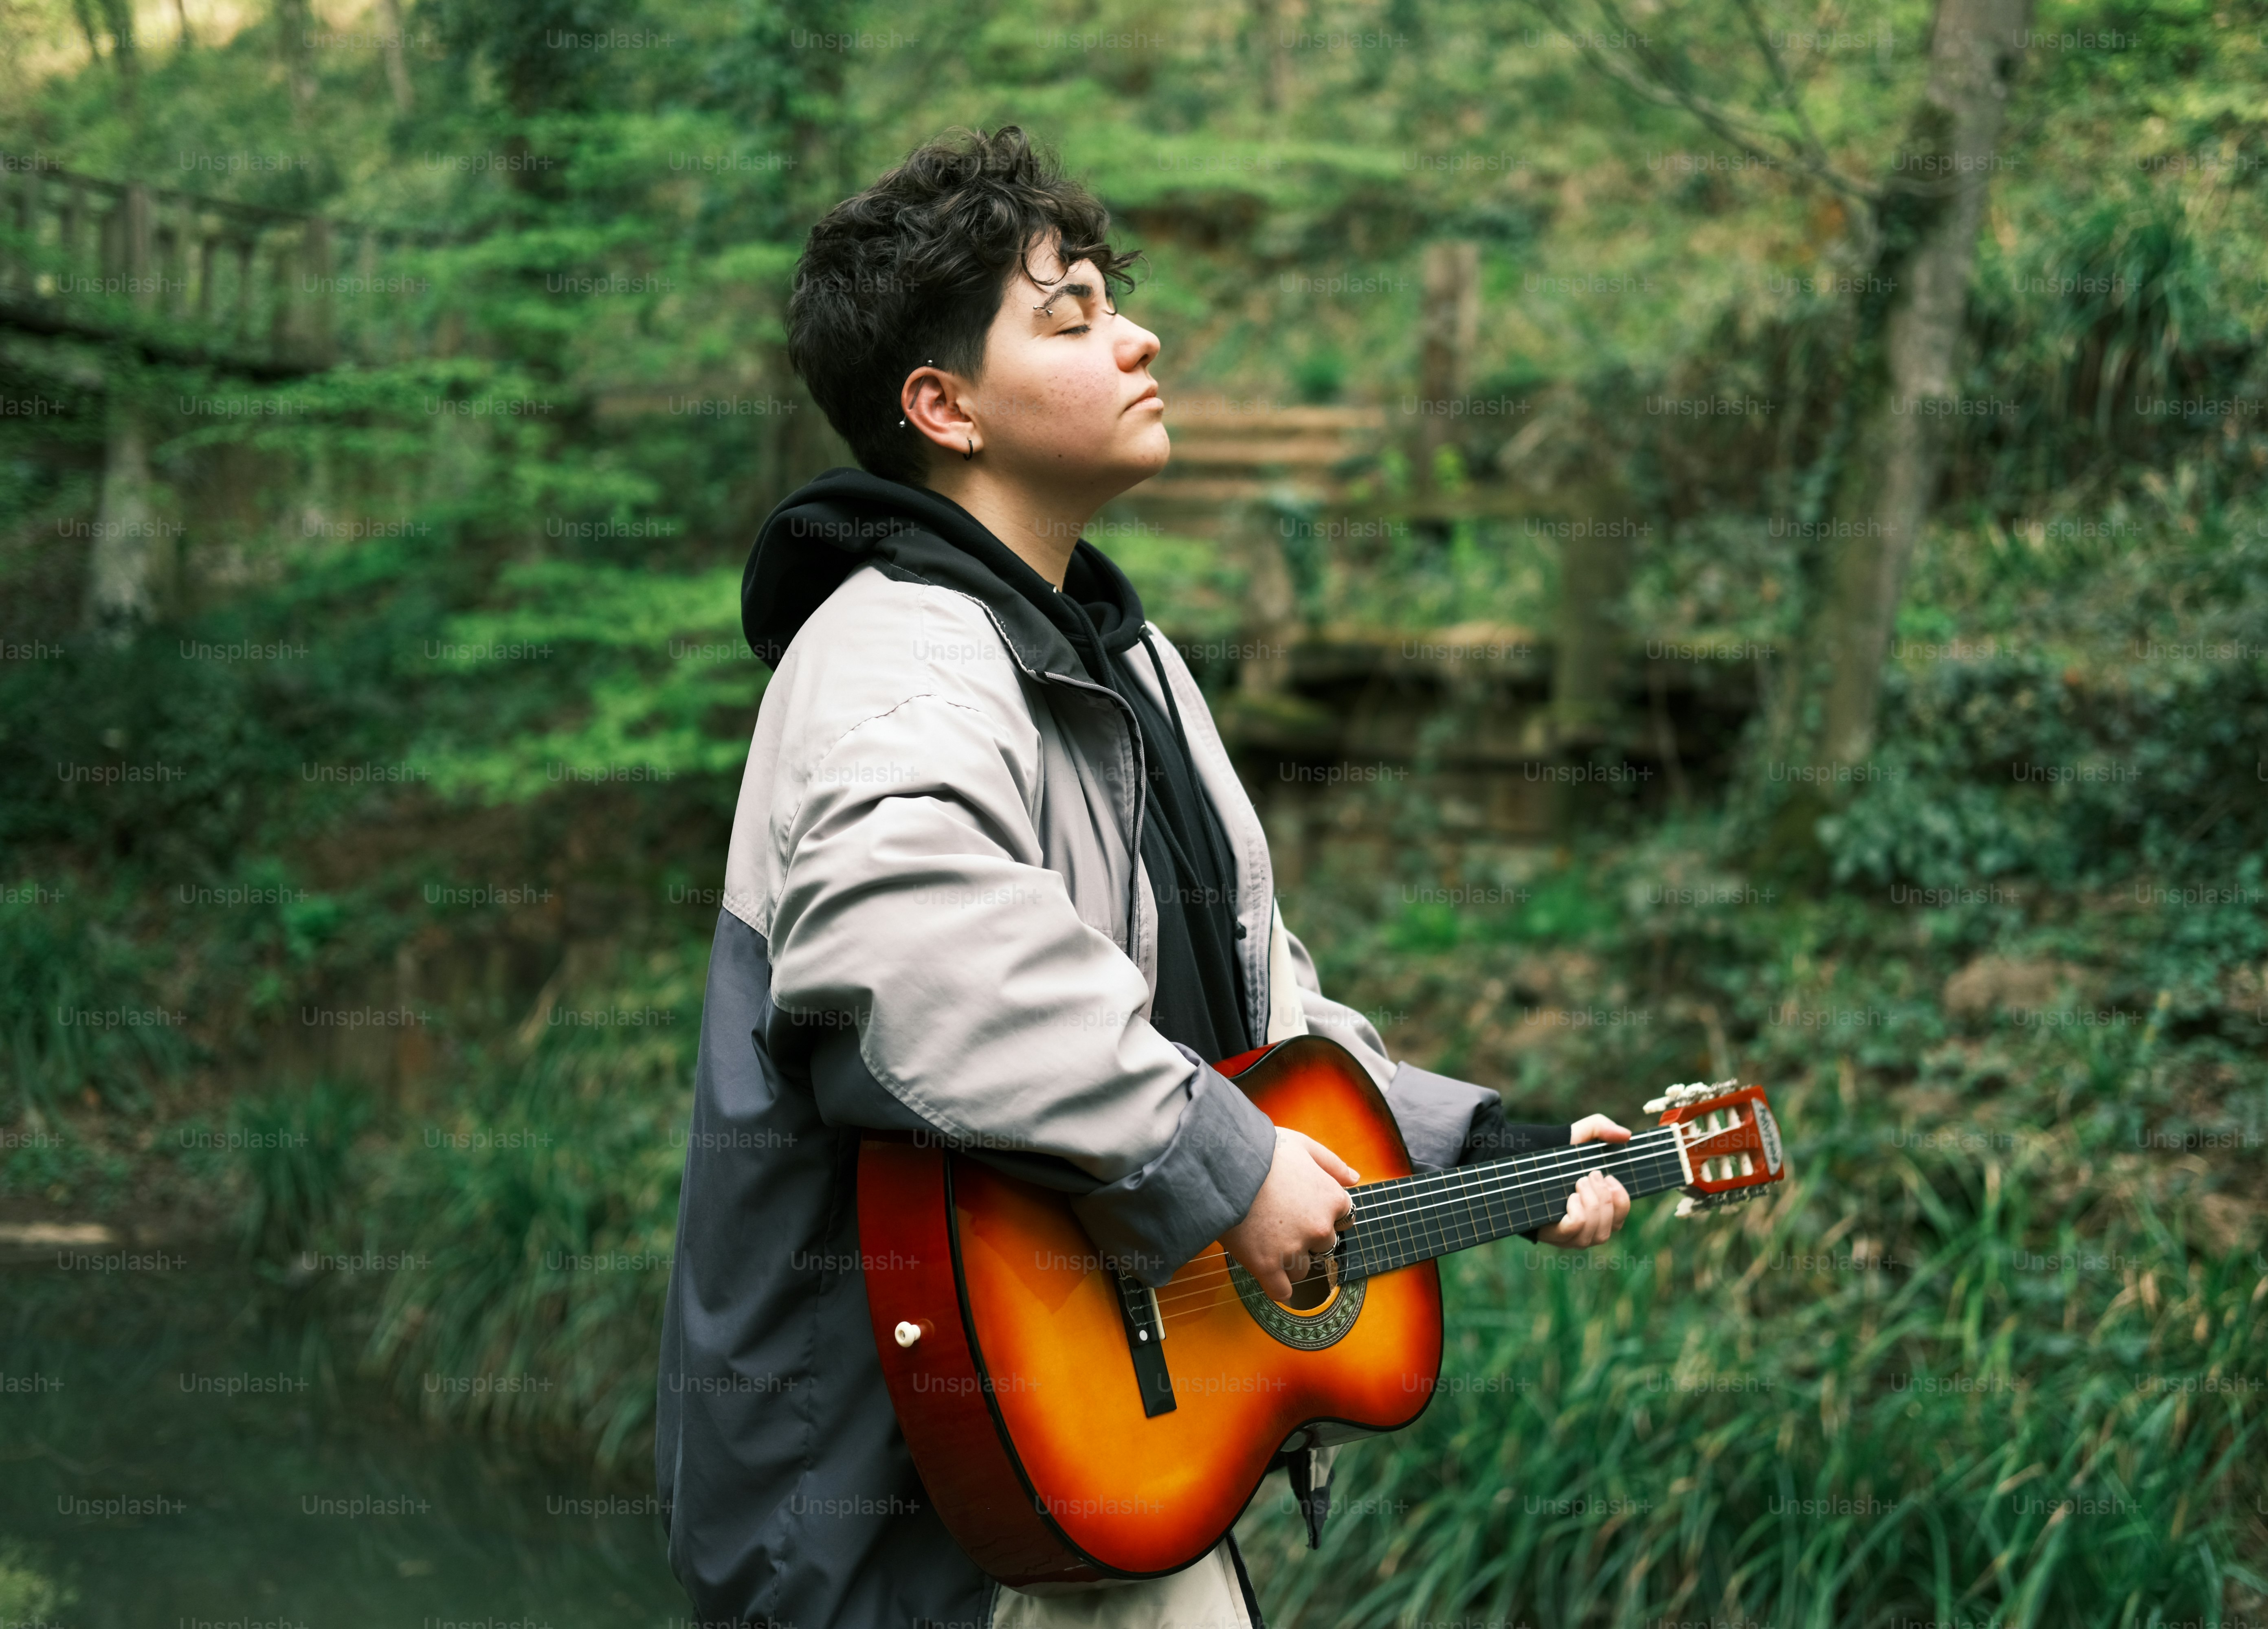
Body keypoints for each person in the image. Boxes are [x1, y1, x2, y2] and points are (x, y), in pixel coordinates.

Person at [653, 124, 1634, 1629]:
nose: (1138, 334)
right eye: (1075, 315)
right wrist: (1229, 1166)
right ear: (944, 405)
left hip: (1098, 1472)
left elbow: (1258, 1011)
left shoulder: (1128, 660)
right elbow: (920, 954)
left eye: (1117, 302)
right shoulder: (895, 655)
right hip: (911, 1490)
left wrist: (1478, 1142)